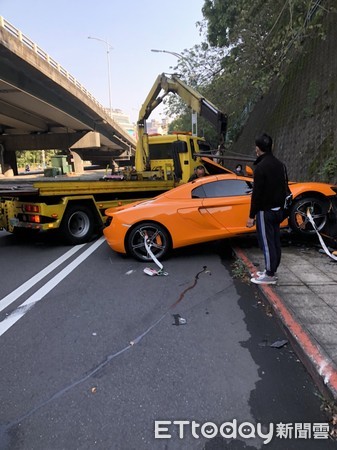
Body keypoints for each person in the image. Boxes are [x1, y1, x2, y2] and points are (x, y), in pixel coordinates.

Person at [246, 133, 288, 285]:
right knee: (275, 240)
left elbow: (256, 195)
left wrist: (251, 216)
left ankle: (269, 275)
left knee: (266, 242)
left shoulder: (261, 168)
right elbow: (284, 188)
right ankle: (272, 269)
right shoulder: (280, 164)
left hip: (265, 212)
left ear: (258, 149)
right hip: (278, 210)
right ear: (272, 146)